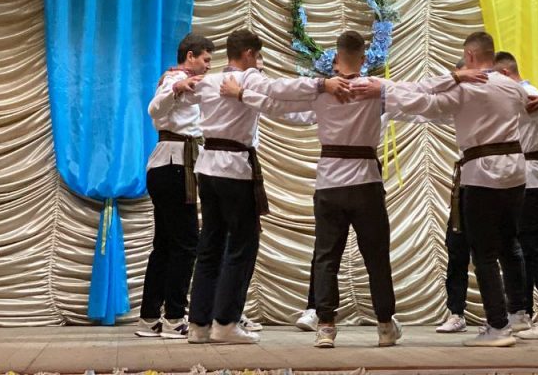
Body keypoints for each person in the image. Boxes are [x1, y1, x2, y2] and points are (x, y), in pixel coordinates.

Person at [220, 31, 405, 348]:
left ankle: (326, 327)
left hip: (330, 184)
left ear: (336, 59)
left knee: (326, 257)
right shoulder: (378, 89)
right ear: (364, 59)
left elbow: (280, 108)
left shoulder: (321, 91)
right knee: (376, 257)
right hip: (366, 183)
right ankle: (385, 325)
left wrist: (242, 95)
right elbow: (418, 103)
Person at [175, 29, 351, 345]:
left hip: (207, 168)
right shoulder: (249, 78)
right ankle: (225, 321)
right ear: (249, 54)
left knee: (210, 245)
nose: (259, 62)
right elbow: (280, 89)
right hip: (233, 169)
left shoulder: (210, 80)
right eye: (257, 56)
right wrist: (321, 84)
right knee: (242, 244)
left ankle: (199, 324)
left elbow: (180, 96)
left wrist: (174, 83)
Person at [383, 32, 529, 347]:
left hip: (482, 174)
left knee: (484, 252)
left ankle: (498, 326)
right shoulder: (513, 86)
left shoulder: (466, 87)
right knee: (509, 244)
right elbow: (531, 106)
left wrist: (385, 93)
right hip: (517, 173)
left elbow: (423, 103)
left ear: (470, 56)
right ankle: (519, 313)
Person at [136, 33, 213, 339]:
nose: (208, 65)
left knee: (166, 245)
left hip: (172, 166)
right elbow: (154, 109)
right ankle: (174, 317)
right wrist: (177, 88)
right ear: (190, 56)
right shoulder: (174, 78)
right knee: (186, 244)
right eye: (205, 59)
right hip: (174, 166)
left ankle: (150, 317)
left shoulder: (189, 81)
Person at [493, 51, 538, 340]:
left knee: (531, 247)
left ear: (505, 73)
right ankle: (522, 312)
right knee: (521, 247)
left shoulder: (527, 92)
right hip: (521, 178)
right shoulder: (512, 96)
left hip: (533, 179)